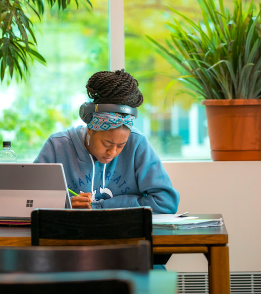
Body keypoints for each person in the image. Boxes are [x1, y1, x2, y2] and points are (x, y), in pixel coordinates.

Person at [34, 69, 180, 213]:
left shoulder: (137, 143)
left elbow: (166, 202)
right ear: (90, 130)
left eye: (121, 145)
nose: (113, 152)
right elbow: (29, 199)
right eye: (107, 144)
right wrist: (64, 205)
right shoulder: (57, 146)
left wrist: (101, 206)